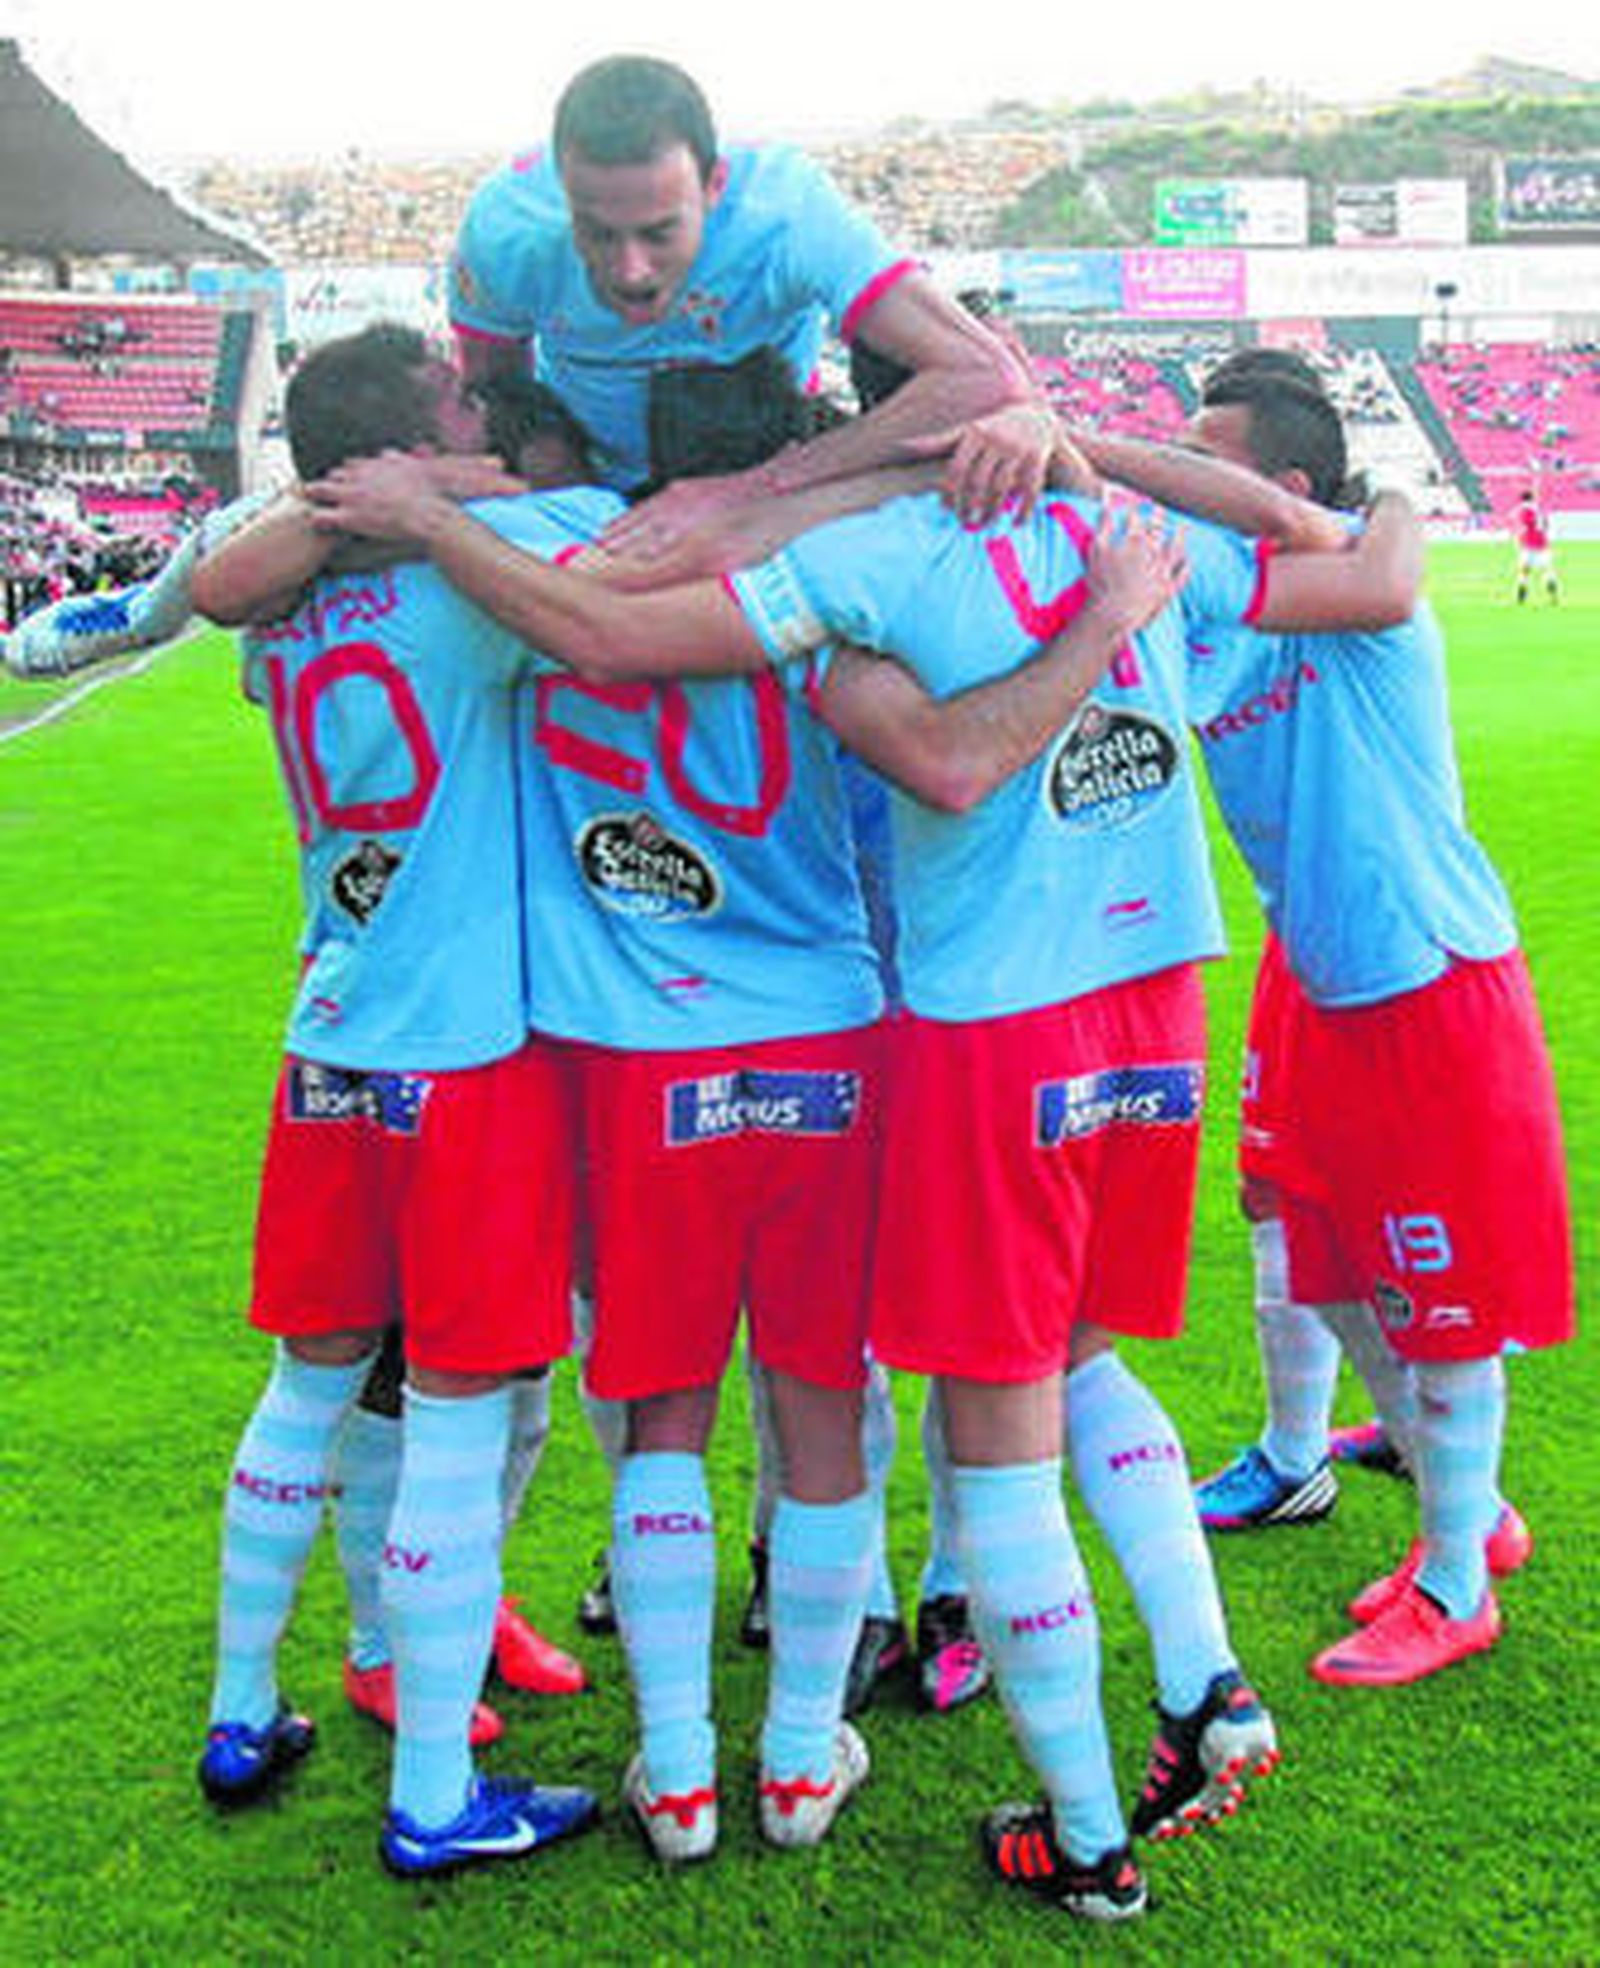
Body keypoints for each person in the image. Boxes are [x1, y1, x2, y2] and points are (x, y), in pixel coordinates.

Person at [302, 428, 1424, 1916]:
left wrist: (444, 518)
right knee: (1025, 1377)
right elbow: (1353, 562)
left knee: (730, 1417)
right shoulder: (1143, 535)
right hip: (1121, 1005)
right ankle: (1120, 1697)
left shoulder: (818, 566)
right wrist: (1117, 462)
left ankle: (872, 1800)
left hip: (772, 1039)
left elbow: (622, 634)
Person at [1081, 360, 1574, 1686]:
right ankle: (1445, 1498)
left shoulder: (1361, 593)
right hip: (1317, 971)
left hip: (1426, 977)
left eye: (1207, 451)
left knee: (1443, 1294)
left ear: (1285, 492)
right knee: (1316, 1248)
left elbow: (1383, 551)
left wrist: (1087, 438)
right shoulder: (1222, 607)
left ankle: (1461, 1577)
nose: (1177, 464)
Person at [189, 325, 602, 1876]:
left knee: (308, 1385)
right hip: (468, 1058)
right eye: (457, 403)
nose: (481, 415)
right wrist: (464, 490)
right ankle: (434, 1794)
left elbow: (236, 583)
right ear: (401, 451)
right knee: (456, 1414)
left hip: (331, 1046)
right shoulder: (466, 581)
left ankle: (245, 1708)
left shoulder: (280, 618)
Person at [448, 53, 1040, 557]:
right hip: (594, 479)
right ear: (565, 193)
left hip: (768, 463)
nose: (631, 270)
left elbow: (982, 374)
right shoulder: (506, 231)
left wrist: (749, 491)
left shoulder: (786, 211)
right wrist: (575, 501)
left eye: (658, 233)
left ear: (714, 187)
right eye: (599, 234)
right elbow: (495, 394)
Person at [1511, 486, 1559, 605]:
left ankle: (1521, 595)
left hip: (1528, 544)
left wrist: (1518, 539)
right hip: (1542, 544)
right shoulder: (1539, 510)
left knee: (1524, 571)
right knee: (1547, 570)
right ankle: (1553, 595)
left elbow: (1523, 527)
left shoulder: (1524, 510)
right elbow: (1546, 525)